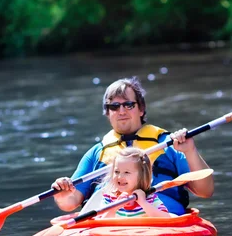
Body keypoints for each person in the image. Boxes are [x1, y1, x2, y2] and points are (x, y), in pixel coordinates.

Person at [51, 76, 214, 215]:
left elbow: (205, 191)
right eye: (114, 106)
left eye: (128, 105)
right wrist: (62, 194)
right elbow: (70, 203)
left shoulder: (169, 144)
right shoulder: (96, 153)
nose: (121, 111)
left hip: (161, 219)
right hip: (109, 223)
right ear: (108, 113)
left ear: (141, 109)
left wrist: (190, 151)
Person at [98, 147, 170, 218]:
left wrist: (143, 203)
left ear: (142, 175)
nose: (120, 177)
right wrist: (114, 208)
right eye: (117, 172)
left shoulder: (150, 199)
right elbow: (99, 223)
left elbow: (167, 219)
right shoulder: (109, 199)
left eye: (127, 172)